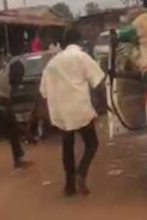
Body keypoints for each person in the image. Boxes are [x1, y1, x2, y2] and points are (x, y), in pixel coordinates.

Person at [40, 28, 105, 197]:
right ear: (79, 41)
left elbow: (43, 91)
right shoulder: (82, 57)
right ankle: (81, 172)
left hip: (61, 112)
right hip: (80, 107)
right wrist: (103, 103)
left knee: (67, 147)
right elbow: (98, 82)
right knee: (92, 144)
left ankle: (69, 186)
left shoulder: (52, 63)